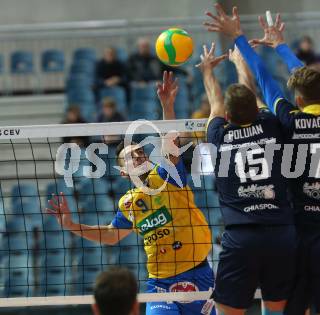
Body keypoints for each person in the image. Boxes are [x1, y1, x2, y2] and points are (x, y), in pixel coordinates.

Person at [204, 5, 320, 314]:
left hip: (298, 229)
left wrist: (239, 39)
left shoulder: (287, 119)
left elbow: (263, 78)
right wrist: (283, 47)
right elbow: (308, 82)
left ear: (297, 100)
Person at [46, 71, 215, 315]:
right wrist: (71, 224)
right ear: (123, 172)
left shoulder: (166, 176)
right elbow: (111, 235)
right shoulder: (129, 204)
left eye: (139, 152)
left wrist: (167, 105)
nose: (137, 155)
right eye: (130, 156)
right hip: (160, 284)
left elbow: (170, 143)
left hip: (200, 274)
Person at [198, 40, 296, 315]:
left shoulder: (219, 135)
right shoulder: (271, 125)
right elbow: (250, 96)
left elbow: (215, 106)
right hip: (281, 233)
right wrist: (241, 64)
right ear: (256, 109)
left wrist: (207, 71)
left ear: (228, 116)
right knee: (276, 310)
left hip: (242, 238)